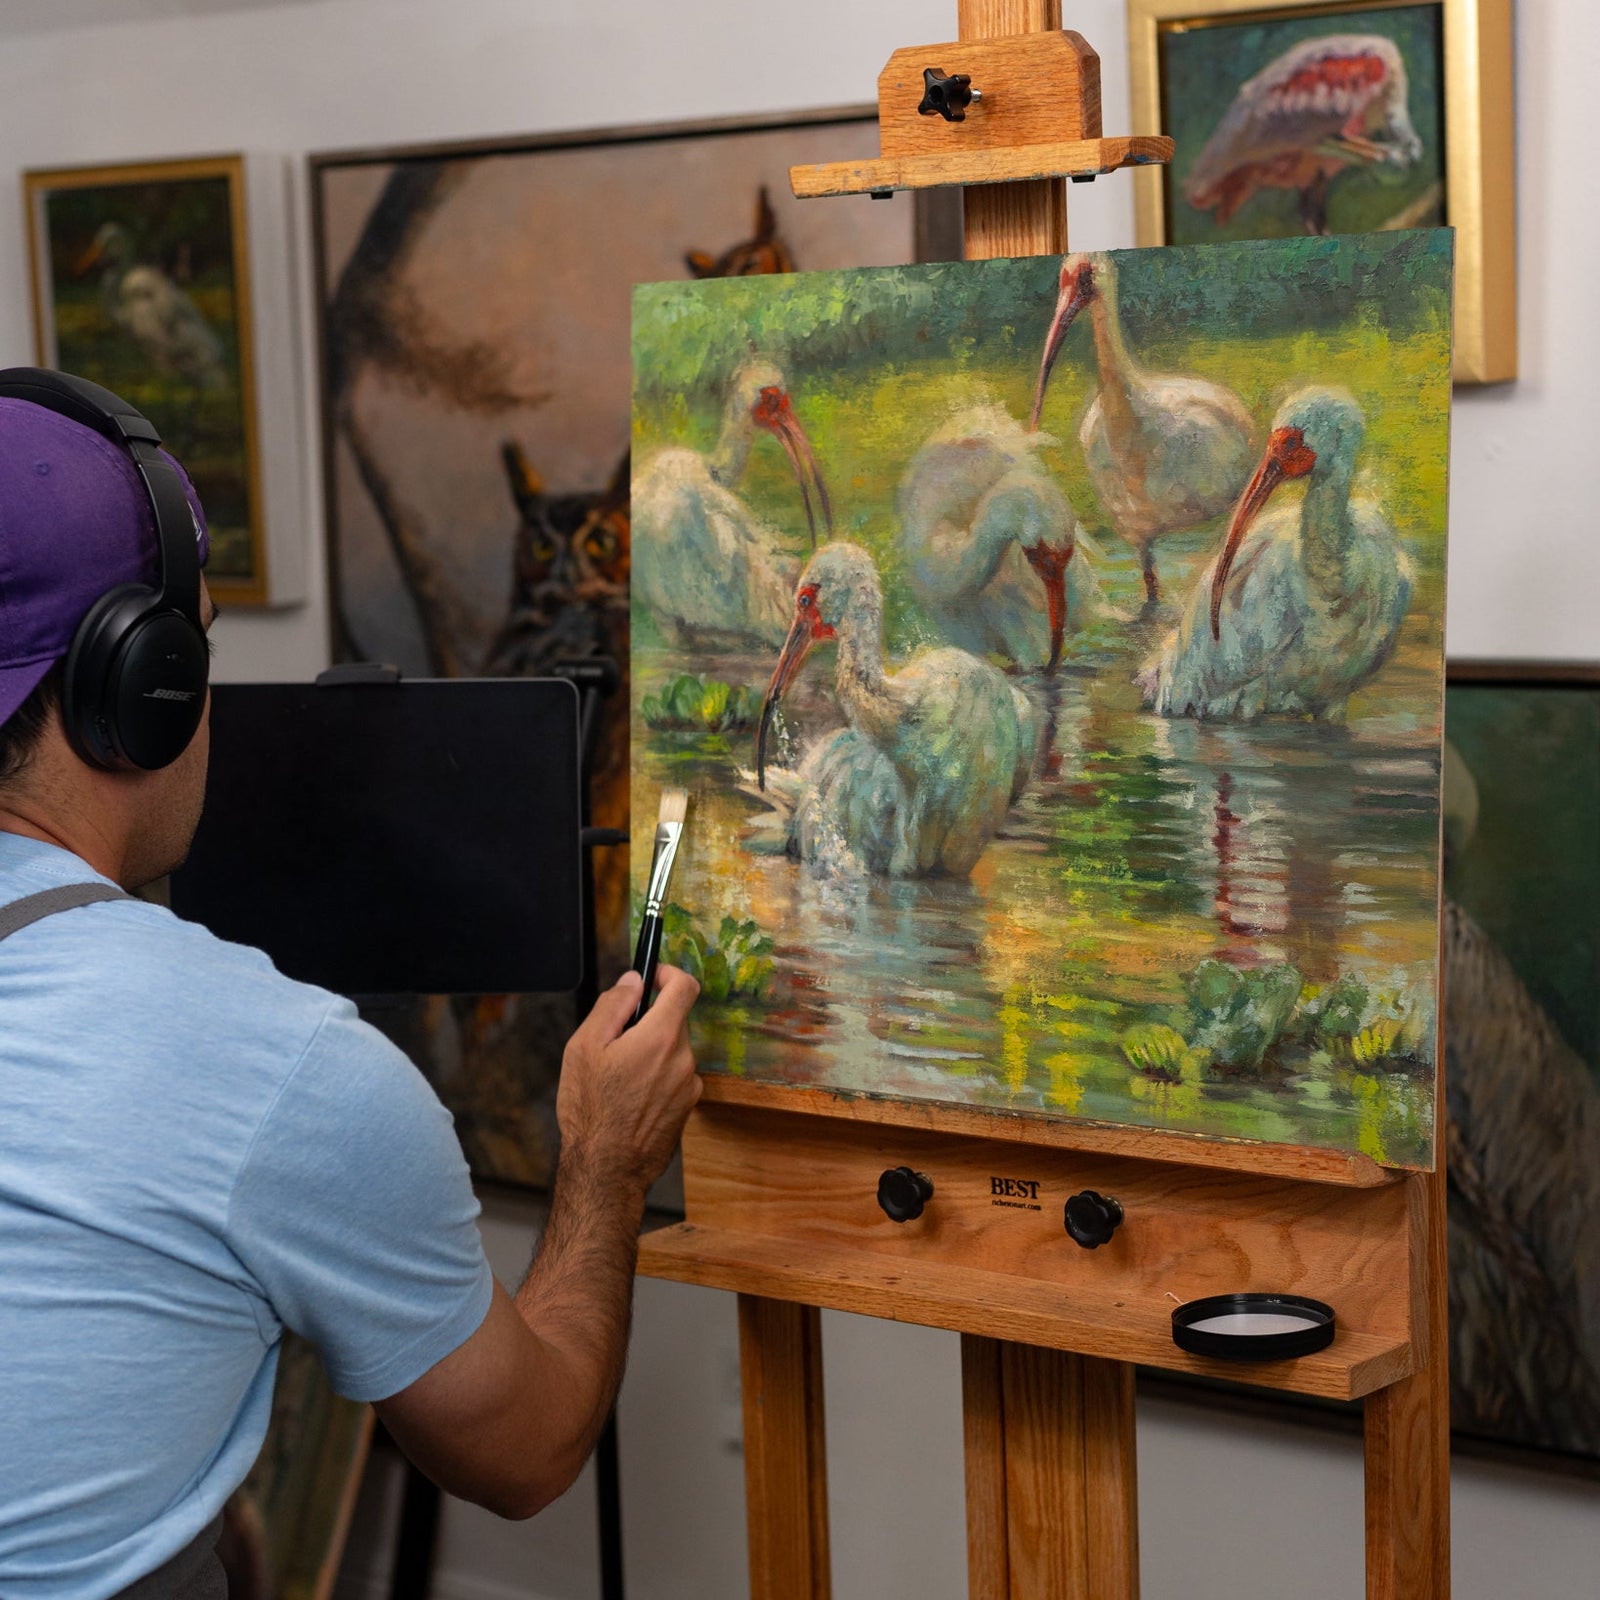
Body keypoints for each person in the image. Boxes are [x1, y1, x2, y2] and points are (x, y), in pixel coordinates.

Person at [0, 371, 701, 1600]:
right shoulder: (275, 1065)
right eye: (197, 645)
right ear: (142, 685)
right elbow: (526, 1450)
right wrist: (604, 1160)